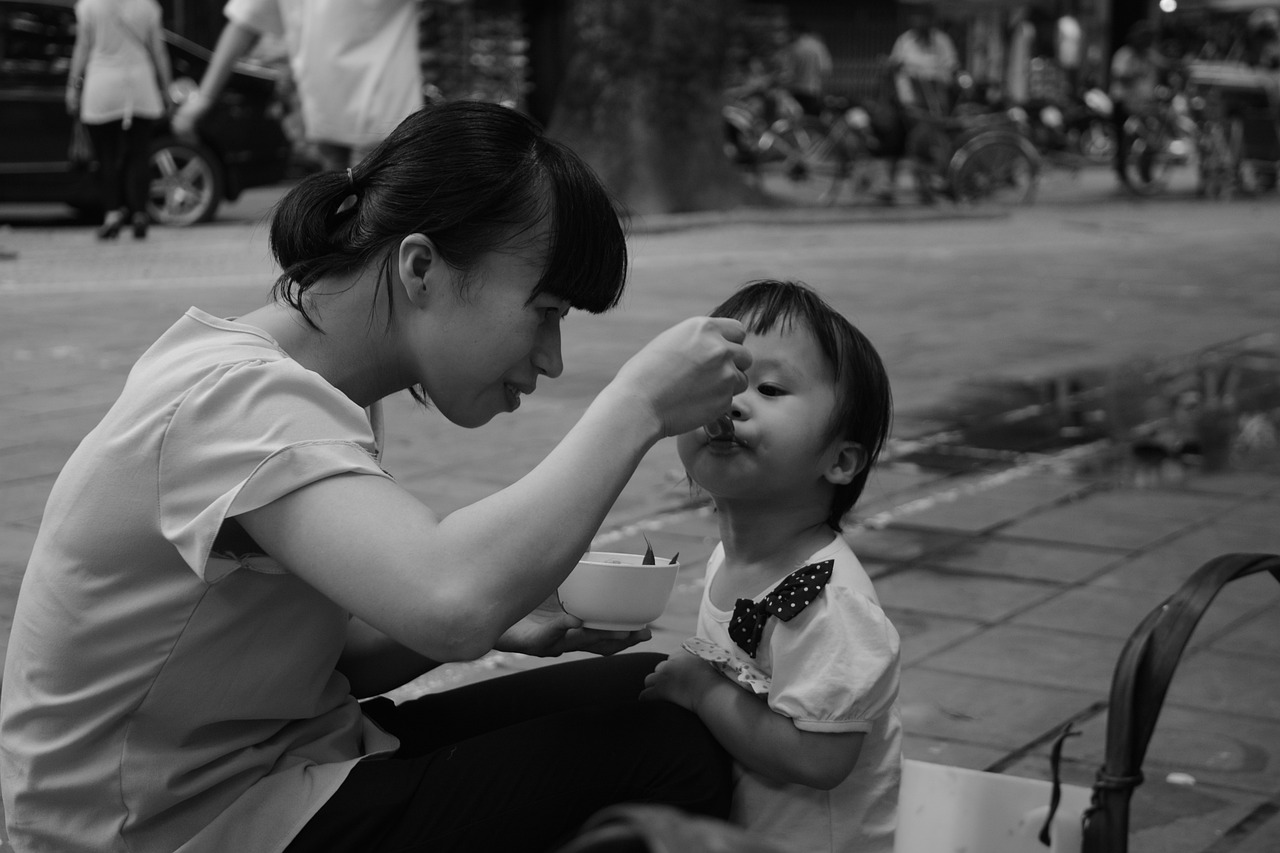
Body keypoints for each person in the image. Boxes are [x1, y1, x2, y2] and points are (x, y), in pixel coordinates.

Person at [0, 100, 752, 853]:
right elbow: (449, 602)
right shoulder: (239, 398)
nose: (551, 357)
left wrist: (517, 610)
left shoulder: (302, 382)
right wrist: (638, 404)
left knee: (657, 690)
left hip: (277, 763)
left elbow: (340, 658)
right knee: (668, 753)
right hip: (168, 828)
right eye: (545, 310)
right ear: (420, 266)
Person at [640, 280, 901, 853]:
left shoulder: (829, 601)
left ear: (840, 460)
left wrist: (702, 691)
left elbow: (819, 756)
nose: (732, 402)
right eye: (722, 381)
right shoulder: (728, 558)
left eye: (771, 388)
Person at [171, 0, 422, 172]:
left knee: (355, 222)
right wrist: (203, 98)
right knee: (368, 223)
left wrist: (204, 98)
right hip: (365, 116)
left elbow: (244, 23)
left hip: (362, 121)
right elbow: (245, 22)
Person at [65, 0, 172, 240]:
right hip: (140, 85)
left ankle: (112, 213)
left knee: (106, 157)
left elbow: (83, 46)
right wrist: (166, 88)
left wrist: (73, 86)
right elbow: (158, 51)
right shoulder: (148, 6)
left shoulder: (88, 5)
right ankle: (139, 213)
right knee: (139, 154)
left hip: (102, 84)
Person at [1109, 20, 1166, 188]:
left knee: (1151, 138)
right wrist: (1135, 74)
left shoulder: (1149, 54)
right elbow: (1119, 76)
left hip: (1143, 104)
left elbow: (1164, 64)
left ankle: (1145, 173)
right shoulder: (1124, 55)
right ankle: (1122, 174)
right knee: (1122, 142)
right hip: (1123, 103)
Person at [889, 3, 958, 116]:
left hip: (937, 86)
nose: (920, 22)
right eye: (916, 19)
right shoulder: (904, 40)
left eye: (923, 19)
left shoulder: (942, 40)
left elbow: (951, 63)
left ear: (930, 20)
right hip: (913, 91)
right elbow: (895, 61)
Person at [778, 20, 833, 117]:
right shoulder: (819, 46)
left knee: (797, 121)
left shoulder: (794, 48)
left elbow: (787, 73)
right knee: (813, 122)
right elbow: (825, 69)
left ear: (796, 32)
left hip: (796, 91)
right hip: (814, 90)